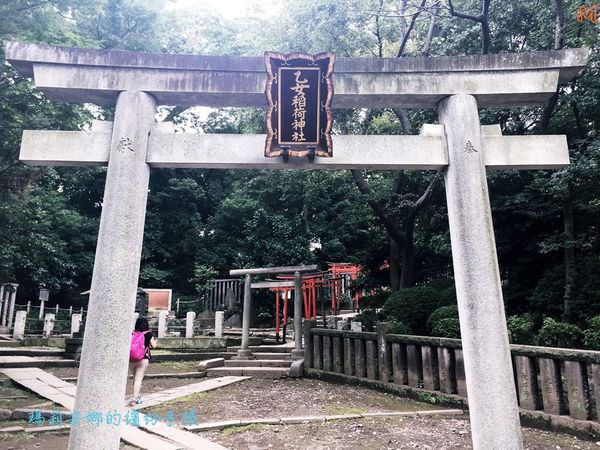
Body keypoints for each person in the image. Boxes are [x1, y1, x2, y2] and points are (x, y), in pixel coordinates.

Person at [129, 317, 157, 406]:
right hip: (143, 359)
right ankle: (134, 399)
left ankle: (136, 395)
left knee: (135, 379)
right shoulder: (148, 334)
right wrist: (155, 341)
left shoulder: (132, 333)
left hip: (131, 359)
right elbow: (154, 345)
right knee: (138, 380)